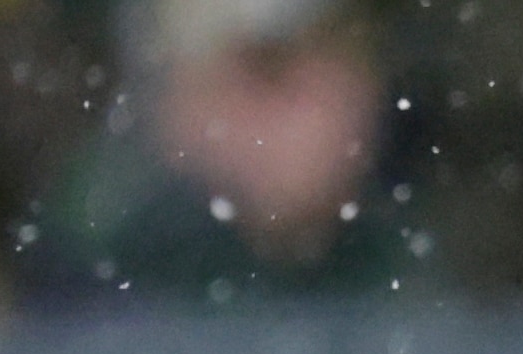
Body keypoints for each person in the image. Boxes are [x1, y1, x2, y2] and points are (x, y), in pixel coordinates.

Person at [32, 0, 435, 303]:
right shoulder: (93, 271)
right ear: (174, 92)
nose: (329, 101)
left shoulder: (401, 264)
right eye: (268, 70)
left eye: (353, 53)